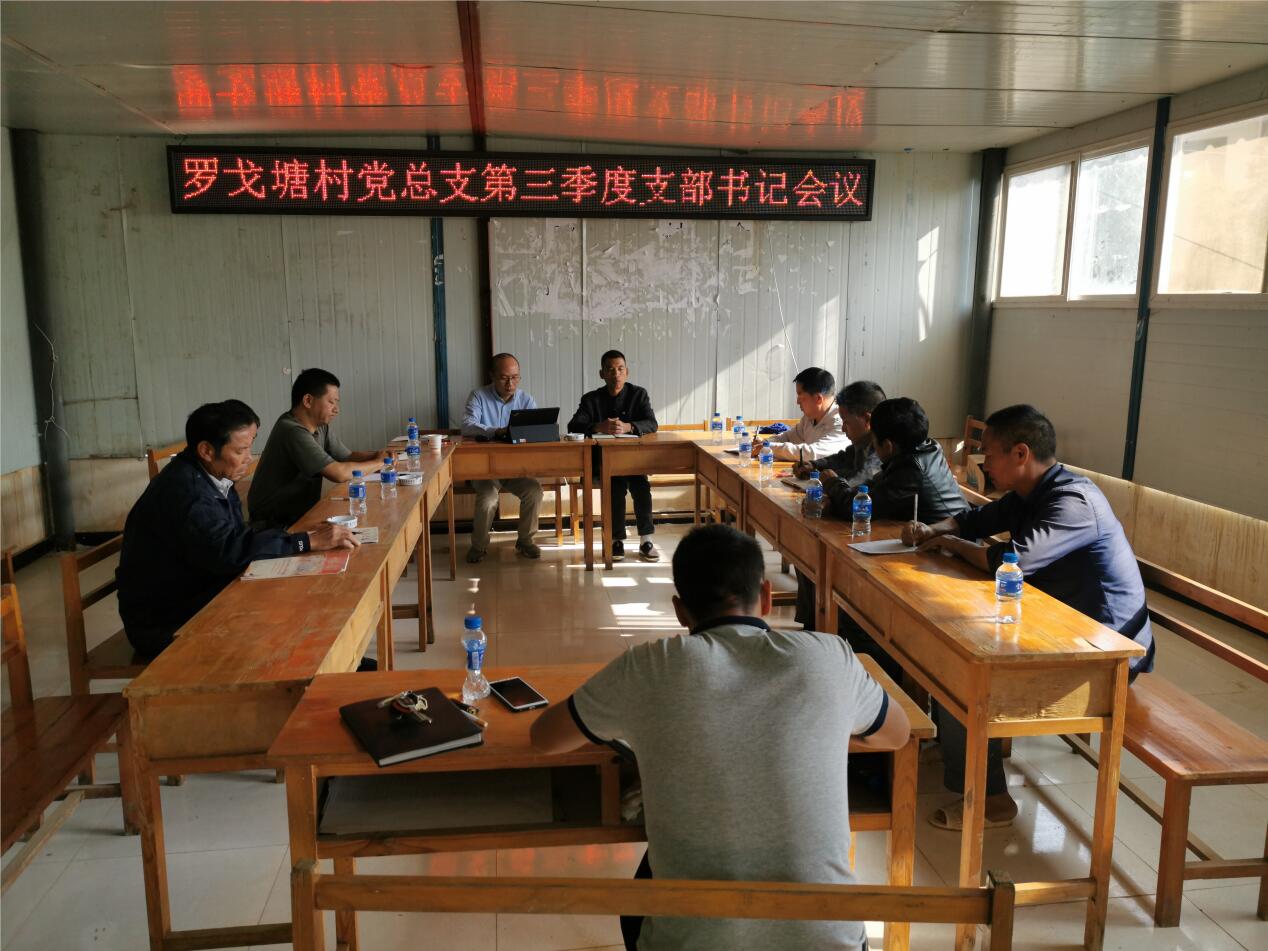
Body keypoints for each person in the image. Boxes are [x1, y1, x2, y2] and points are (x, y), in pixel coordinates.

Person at [530, 524, 909, 951]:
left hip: (694, 942)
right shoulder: (829, 658)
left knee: (644, 889)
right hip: (830, 941)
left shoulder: (650, 668)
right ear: (766, 596)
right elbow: (897, 734)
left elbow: (545, 738)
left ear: (680, 610)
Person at [903, 404, 1154, 830]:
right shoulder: (1029, 493)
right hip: (1059, 627)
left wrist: (950, 545)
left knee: (963, 672)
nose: (984, 463)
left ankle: (992, 802)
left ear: (1021, 453)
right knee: (943, 648)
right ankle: (959, 751)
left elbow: (1010, 560)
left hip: (1106, 650)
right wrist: (936, 529)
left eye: (989, 454)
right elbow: (974, 519)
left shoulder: (1073, 501)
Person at [117, 400, 358, 658]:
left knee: (296, 595)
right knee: (287, 614)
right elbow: (229, 552)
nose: (249, 458)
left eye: (250, 447)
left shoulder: (213, 476)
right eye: (241, 450)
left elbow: (236, 538)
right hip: (165, 621)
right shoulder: (187, 494)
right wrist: (303, 542)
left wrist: (298, 538)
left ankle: (336, 662)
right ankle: (322, 666)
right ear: (206, 450)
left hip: (199, 588)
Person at [791, 380, 886, 626]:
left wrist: (831, 486)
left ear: (867, 419)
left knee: (817, 551)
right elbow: (842, 458)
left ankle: (825, 625)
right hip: (856, 518)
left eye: (846, 422)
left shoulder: (881, 448)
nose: (843, 429)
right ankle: (813, 623)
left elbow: (860, 483)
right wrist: (815, 465)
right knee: (807, 547)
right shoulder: (861, 442)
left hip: (874, 528)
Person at [248, 368, 383, 529]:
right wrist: (380, 463)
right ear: (308, 401)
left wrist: (378, 455)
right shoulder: (291, 430)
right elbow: (338, 473)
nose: (336, 409)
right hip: (274, 524)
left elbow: (347, 456)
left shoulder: (320, 426)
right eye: (331, 402)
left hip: (300, 514)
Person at [568, 349, 660, 562]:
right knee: (615, 487)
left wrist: (629, 426)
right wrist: (597, 426)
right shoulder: (591, 399)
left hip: (633, 461)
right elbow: (573, 425)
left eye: (620, 369)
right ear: (602, 374)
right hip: (603, 462)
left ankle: (646, 540)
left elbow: (652, 423)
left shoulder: (638, 394)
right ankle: (616, 540)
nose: (616, 374)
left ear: (627, 372)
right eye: (610, 370)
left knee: (641, 487)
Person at [824, 397, 966, 524]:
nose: (873, 444)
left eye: (873, 439)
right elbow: (875, 488)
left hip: (950, 542)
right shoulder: (926, 447)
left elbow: (859, 510)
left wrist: (833, 483)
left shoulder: (910, 471)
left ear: (888, 446)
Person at [460, 352, 543, 562]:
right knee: (488, 498)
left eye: (515, 378)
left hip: (515, 468)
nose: (510, 383)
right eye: (504, 378)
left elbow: (536, 429)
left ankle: (525, 541)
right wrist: (495, 431)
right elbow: (467, 426)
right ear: (492, 376)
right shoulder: (478, 396)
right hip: (484, 469)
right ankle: (479, 546)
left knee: (534, 491)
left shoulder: (526, 400)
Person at [755, 366, 851, 461]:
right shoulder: (810, 417)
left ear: (818, 398)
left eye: (800, 395)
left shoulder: (843, 423)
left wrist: (768, 447)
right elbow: (788, 437)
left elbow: (810, 453)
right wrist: (765, 442)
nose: (797, 401)